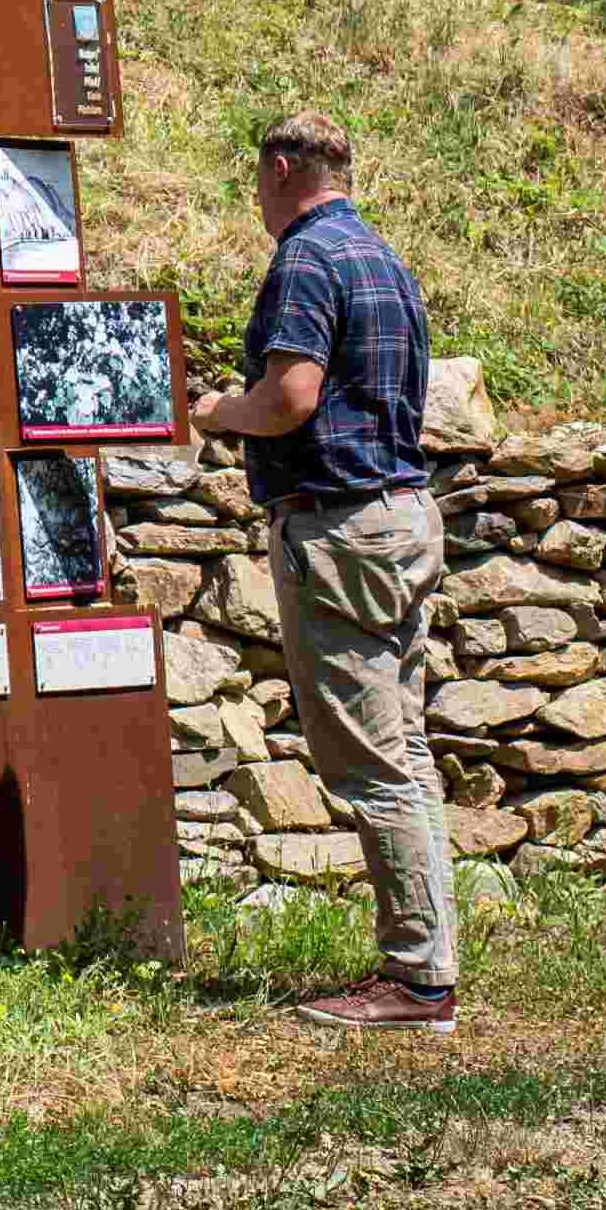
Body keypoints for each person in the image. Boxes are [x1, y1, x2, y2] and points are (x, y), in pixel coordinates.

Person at [199, 109, 457, 1029]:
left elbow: (289, 399)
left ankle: (418, 980)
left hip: (340, 529)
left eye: (256, 180)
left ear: (279, 169)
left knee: (370, 763)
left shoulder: (306, 260)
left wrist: (217, 410)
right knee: (406, 750)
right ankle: (429, 964)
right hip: (403, 517)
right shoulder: (385, 259)